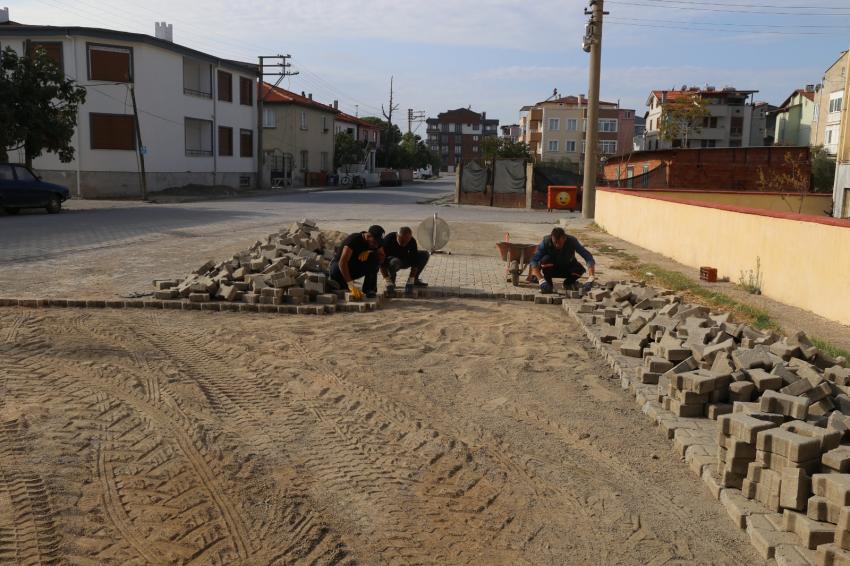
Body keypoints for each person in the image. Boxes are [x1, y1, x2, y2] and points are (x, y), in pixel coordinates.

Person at [529, 227, 595, 294]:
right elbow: (533, 261)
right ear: (552, 238)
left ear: (564, 238)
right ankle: (548, 285)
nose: (557, 245)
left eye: (559, 243)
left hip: (567, 268)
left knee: (579, 269)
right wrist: (541, 280)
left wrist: (591, 277)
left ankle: (568, 283)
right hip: (551, 269)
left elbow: (588, 257)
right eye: (555, 242)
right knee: (545, 260)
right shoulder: (545, 242)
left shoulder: (572, 241)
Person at [330, 225, 385, 299]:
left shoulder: (376, 242)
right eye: (375, 242)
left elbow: (382, 256)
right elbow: (342, 263)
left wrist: (370, 252)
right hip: (340, 269)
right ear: (369, 236)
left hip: (354, 268)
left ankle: (369, 289)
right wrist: (351, 284)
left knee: (374, 257)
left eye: (379, 243)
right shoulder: (353, 240)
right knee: (341, 287)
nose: (376, 245)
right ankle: (343, 284)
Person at [381, 227, 430, 294]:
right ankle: (391, 281)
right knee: (395, 262)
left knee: (424, 254)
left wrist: (411, 280)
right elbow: (381, 262)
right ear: (397, 235)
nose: (404, 244)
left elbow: (415, 261)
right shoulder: (388, 240)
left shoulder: (412, 241)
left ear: (410, 238)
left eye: (406, 241)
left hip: (405, 260)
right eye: (402, 241)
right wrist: (387, 280)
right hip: (392, 261)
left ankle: (415, 280)